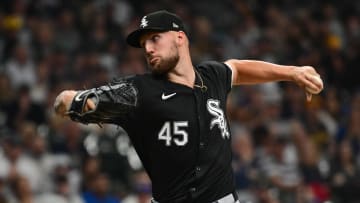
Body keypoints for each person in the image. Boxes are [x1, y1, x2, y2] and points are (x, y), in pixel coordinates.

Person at [54, 10, 323, 203]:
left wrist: (292, 72)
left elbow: (238, 68)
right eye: (143, 43)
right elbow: (68, 100)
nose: (147, 48)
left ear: (180, 38)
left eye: (154, 38)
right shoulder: (138, 91)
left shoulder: (212, 76)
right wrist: (75, 102)